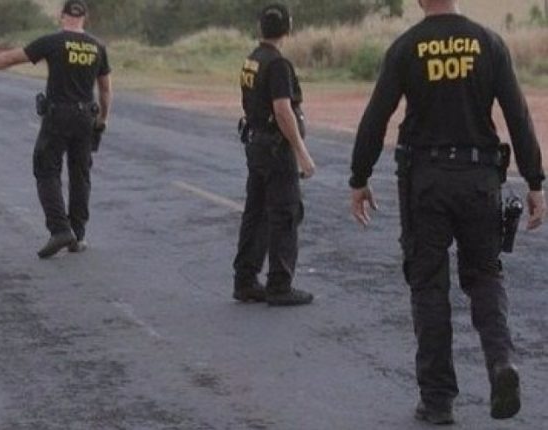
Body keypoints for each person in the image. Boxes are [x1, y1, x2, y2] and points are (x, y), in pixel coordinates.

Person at [349, 0, 546, 424]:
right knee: (485, 275)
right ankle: (500, 362)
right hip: (479, 180)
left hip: (426, 182)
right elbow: (517, 113)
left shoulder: (406, 46)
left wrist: (358, 177)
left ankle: (437, 400)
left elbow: (376, 115)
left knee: (428, 286)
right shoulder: (488, 43)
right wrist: (534, 180)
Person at [0, 0, 112, 258]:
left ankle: (59, 230)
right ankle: (77, 235)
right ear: (84, 18)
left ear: (61, 16)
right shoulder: (97, 47)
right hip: (85, 117)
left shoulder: (53, 42)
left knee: (46, 169)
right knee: (80, 176)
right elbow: (105, 89)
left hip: (58, 116)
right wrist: (102, 122)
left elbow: (14, 57)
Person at [232, 3, 316, 307]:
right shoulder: (278, 64)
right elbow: (282, 110)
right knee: (284, 213)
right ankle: (279, 285)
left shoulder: (252, 60)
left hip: (255, 144)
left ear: (260, 28)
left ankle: (245, 280)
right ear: (288, 28)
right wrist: (301, 152)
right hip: (275, 148)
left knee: (255, 212)